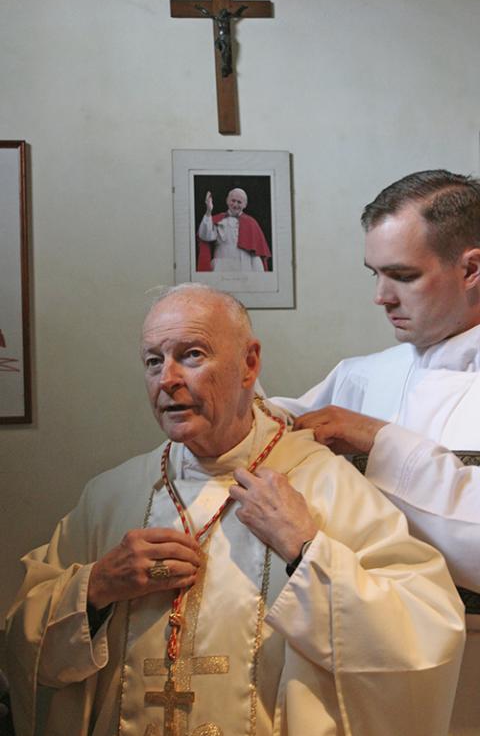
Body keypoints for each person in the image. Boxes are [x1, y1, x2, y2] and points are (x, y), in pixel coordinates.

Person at [6, 284, 464, 736]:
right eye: (152, 361)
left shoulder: (326, 487)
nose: (167, 379)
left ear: (249, 365)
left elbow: (425, 636)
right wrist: (97, 588)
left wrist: (307, 551)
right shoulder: (113, 497)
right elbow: (20, 639)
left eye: (191, 355)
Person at [270, 169, 480, 736]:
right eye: (376, 274)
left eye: (402, 276)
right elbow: (268, 431)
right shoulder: (362, 377)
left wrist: (379, 442)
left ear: (472, 268)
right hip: (369, 655)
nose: (380, 297)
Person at [197, 187, 271, 272]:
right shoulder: (218, 219)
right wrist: (208, 211)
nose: (235, 205)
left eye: (239, 202)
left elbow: (256, 252)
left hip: (243, 267)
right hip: (221, 266)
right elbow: (205, 236)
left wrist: (259, 274)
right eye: (233, 200)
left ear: (245, 205)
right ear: (227, 201)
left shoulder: (251, 223)